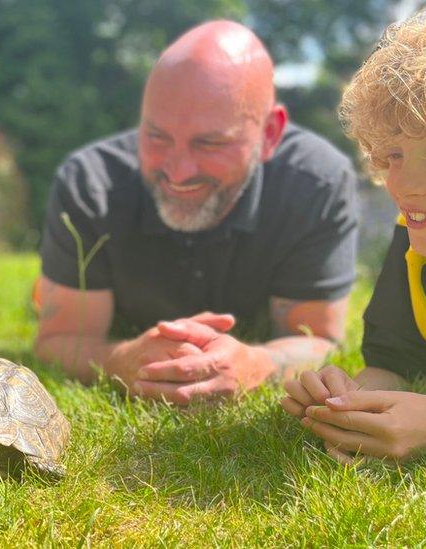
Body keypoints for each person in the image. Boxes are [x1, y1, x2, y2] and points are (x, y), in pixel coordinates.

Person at [35, 20, 359, 405]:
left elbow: (320, 339)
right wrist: (121, 359)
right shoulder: (89, 185)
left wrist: (258, 362)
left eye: (208, 143)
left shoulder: (317, 185)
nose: (178, 170)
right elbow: (57, 340)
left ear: (270, 134)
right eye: (157, 136)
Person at [282, 0, 426, 463]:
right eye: (394, 154)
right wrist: (349, 403)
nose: (402, 184)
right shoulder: (422, 242)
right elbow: (393, 363)